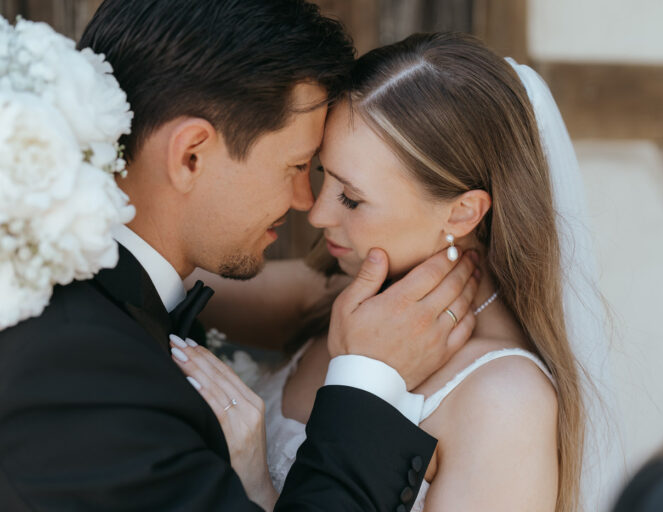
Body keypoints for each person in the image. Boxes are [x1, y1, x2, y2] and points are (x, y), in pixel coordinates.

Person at [0, 3, 480, 511]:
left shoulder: (93, 298)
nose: (306, 202)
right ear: (190, 155)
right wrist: (370, 381)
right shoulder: (81, 371)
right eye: (297, 166)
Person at [176, 32, 614, 512]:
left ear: (463, 213)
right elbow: (172, 278)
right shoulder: (334, 297)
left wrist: (254, 486)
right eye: (322, 175)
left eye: (352, 198)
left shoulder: (505, 401)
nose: (317, 213)